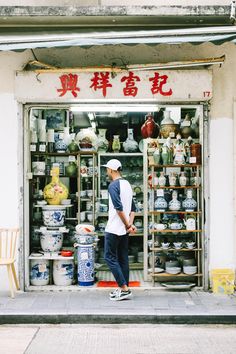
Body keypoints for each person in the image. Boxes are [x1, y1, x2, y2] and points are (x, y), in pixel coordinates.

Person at [102, 158, 136, 301]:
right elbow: (133, 208)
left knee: (109, 257)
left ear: (111, 170)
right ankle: (125, 288)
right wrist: (129, 224)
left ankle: (124, 288)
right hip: (123, 229)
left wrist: (128, 225)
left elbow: (118, 208)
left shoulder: (113, 186)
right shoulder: (127, 184)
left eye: (107, 169)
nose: (106, 172)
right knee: (123, 259)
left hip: (114, 228)